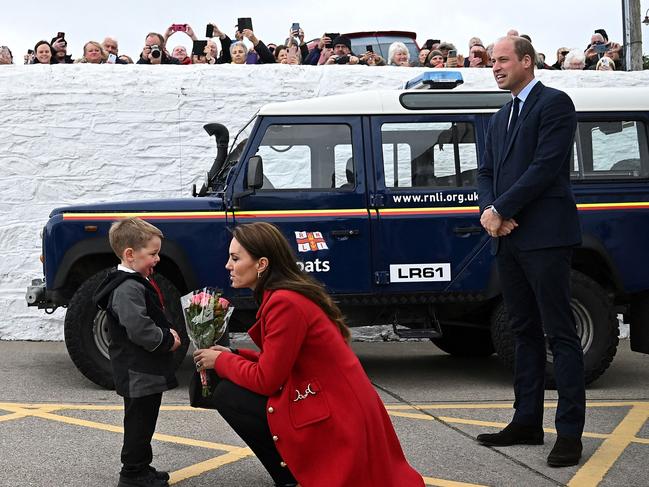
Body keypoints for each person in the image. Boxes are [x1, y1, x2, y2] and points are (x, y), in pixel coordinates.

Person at [193, 222, 424, 487]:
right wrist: (234, 354)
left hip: (336, 413)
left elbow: (268, 379)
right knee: (223, 383)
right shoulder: (285, 294)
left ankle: (290, 477)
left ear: (261, 264)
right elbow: (283, 362)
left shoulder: (284, 302)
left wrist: (222, 361)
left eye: (235, 258)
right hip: (333, 401)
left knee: (227, 394)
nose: (228, 265)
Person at [476, 36, 584, 468]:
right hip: (509, 238)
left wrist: (503, 208)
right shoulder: (500, 116)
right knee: (521, 332)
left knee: (560, 332)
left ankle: (571, 435)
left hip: (546, 238)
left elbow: (546, 167)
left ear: (527, 61)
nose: (495, 67)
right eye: (492, 62)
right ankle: (527, 421)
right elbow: (485, 171)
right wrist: (490, 211)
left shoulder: (555, 104)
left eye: (502, 60)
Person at [93, 218, 182, 487]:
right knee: (139, 424)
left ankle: (142, 466)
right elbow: (139, 328)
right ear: (130, 254)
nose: (157, 259)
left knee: (145, 421)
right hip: (138, 371)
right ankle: (132, 474)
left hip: (142, 370)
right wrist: (167, 340)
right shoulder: (127, 287)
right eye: (153, 254)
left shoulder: (134, 280)